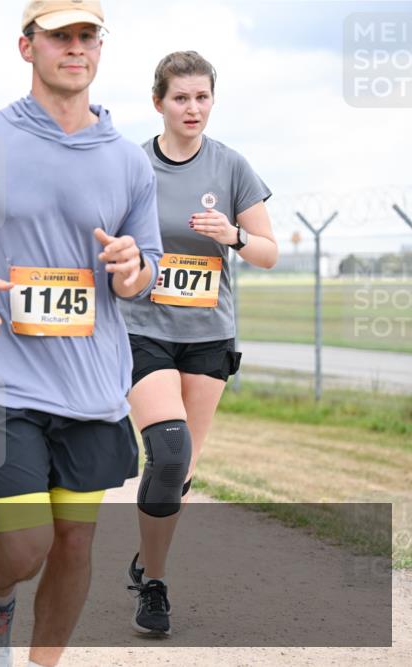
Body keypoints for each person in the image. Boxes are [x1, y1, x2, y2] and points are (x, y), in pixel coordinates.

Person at [0, 1, 163, 664]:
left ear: (100, 48)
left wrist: (132, 267)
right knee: (26, 545)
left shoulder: (128, 161)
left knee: (74, 543)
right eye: (59, 37)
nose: (75, 48)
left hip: (92, 387)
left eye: (87, 36)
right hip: (0, 381)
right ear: (27, 47)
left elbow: (146, 269)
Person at [117, 51, 278, 637]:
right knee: (168, 449)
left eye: (202, 97)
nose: (193, 108)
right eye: (181, 98)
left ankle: (146, 558)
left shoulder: (231, 166)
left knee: (179, 469)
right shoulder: (131, 165)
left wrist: (233, 235)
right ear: (158, 102)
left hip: (208, 336)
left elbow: (267, 252)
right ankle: (155, 586)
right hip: (143, 329)